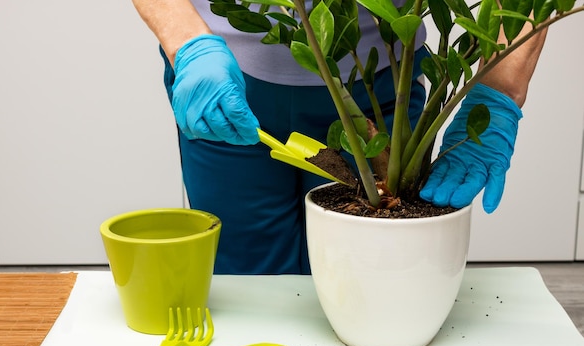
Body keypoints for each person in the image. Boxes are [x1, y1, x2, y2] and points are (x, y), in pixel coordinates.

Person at [130, 0, 547, 275]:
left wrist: (500, 89)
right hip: (223, 85)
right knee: (246, 284)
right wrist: (187, 42)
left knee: (369, 278)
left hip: (380, 90)